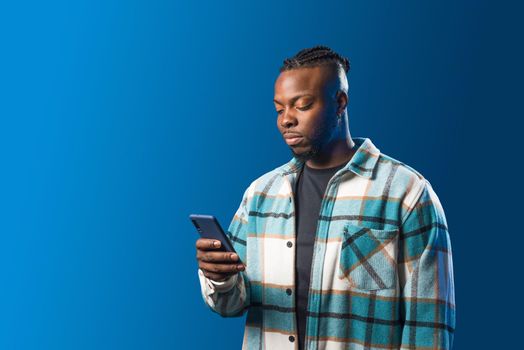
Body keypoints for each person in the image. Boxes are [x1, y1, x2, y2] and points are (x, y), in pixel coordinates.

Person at [195, 46, 455, 350]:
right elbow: (230, 304)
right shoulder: (260, 195)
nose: (286, 120)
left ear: (340, 103)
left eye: (301, 105)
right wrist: (220, 277)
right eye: (279, 109)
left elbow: (430, 328)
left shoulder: (406, 194)